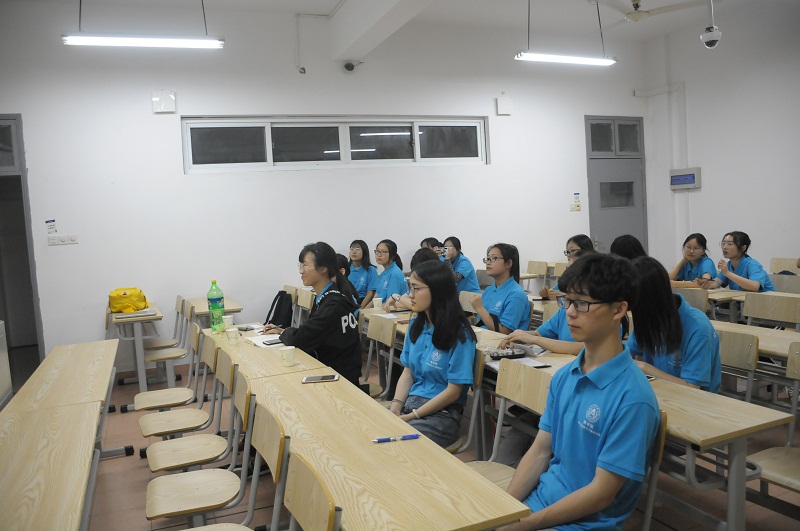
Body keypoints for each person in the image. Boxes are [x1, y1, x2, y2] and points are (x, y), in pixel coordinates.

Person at [502, 253, 659, 530]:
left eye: (583, 303)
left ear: (618, 310)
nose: (570, 312)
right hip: (539, 505)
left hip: (582, 524)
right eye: (568, 301)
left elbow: (601, 494)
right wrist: (504, 512)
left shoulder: (634, 399)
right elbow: (540, 451)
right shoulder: (565, 376)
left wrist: (521, 526)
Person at [389, 260, 477, 448]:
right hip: (411, 404)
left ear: (437, 290)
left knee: (397, 445)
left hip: (441, 415)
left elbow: (453, 392)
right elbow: (408, 372)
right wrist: (396, 406)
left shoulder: (459, 335)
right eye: (410, 287)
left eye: (416, 288)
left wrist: (411, 416)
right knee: (371, 428)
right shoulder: (416, 325)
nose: (410, 295)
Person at [264, 242, 362, 386]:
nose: (301, 271)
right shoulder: (327, 296)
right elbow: (311, 332)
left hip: (338, 379)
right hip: (327, 369)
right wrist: (282, 331)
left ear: (322, 269)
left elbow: (299, 339)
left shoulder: (333, 304)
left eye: (305, 265)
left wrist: (285, 333)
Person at [628, 257, 721, 392]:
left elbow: (692, 387)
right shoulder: (648, 317)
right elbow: (626, 352)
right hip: (658, 391)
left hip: (694, 400)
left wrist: (644, 367)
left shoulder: (697, 327)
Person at [471, 243, 530, 334]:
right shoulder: (488, 290)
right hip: (484, 337)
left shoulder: (516, 295)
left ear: (508, 263)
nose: (488, 262)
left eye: (494, 258)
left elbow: (504, 333)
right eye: (488, 258)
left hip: (502, 341)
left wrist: (479, 308)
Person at [698, 231, 775, 292]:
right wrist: (706, 283)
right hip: (743, 303)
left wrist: (728, 273)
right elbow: (717, 282)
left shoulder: (752, 264)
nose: (724, 247)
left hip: (767, 303)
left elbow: (755, 286)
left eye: (730, 244)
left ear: (743, 248)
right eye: (723, 243)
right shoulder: (729, 265)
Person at [539, 234, 594, 299]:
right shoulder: (570, 271)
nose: (568, 255)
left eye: (573, 250)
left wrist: (565, 295)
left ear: (585, 250)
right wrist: (547, 294)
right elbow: (556, 290)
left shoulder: (594, 271)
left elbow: (592, 296)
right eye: (567, 251)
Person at [348, 239, 379, 309]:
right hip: (347, 301)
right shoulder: (346, 268)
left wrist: (360, 308)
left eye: (357, 249)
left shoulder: (371, 270)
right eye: (352, 249)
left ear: (364, 252)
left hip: (363, 301)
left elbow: (370, 293)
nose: (354, 252)